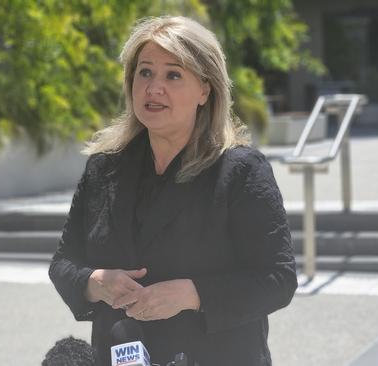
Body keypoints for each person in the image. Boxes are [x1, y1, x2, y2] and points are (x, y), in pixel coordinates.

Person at [48, 15, 297, 366]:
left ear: (204, 89)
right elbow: (64, 263)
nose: (154, 88)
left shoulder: (241, 171)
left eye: (173, 74)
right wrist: (93, 282)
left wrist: (194, 294)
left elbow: (278, 279)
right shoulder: (103, 168)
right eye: (145, 72)